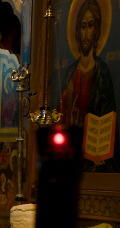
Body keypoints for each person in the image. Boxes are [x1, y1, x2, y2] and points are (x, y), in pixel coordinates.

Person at [57, 0, 118, 172]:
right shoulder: (70, 73)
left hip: (94, 156)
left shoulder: (102, 71)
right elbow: (60, 116)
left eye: (90, 26)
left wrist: (102, 149)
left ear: (97, 30)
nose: (85, 33)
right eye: (82, 26)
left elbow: (108, 117)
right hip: (70, 151)